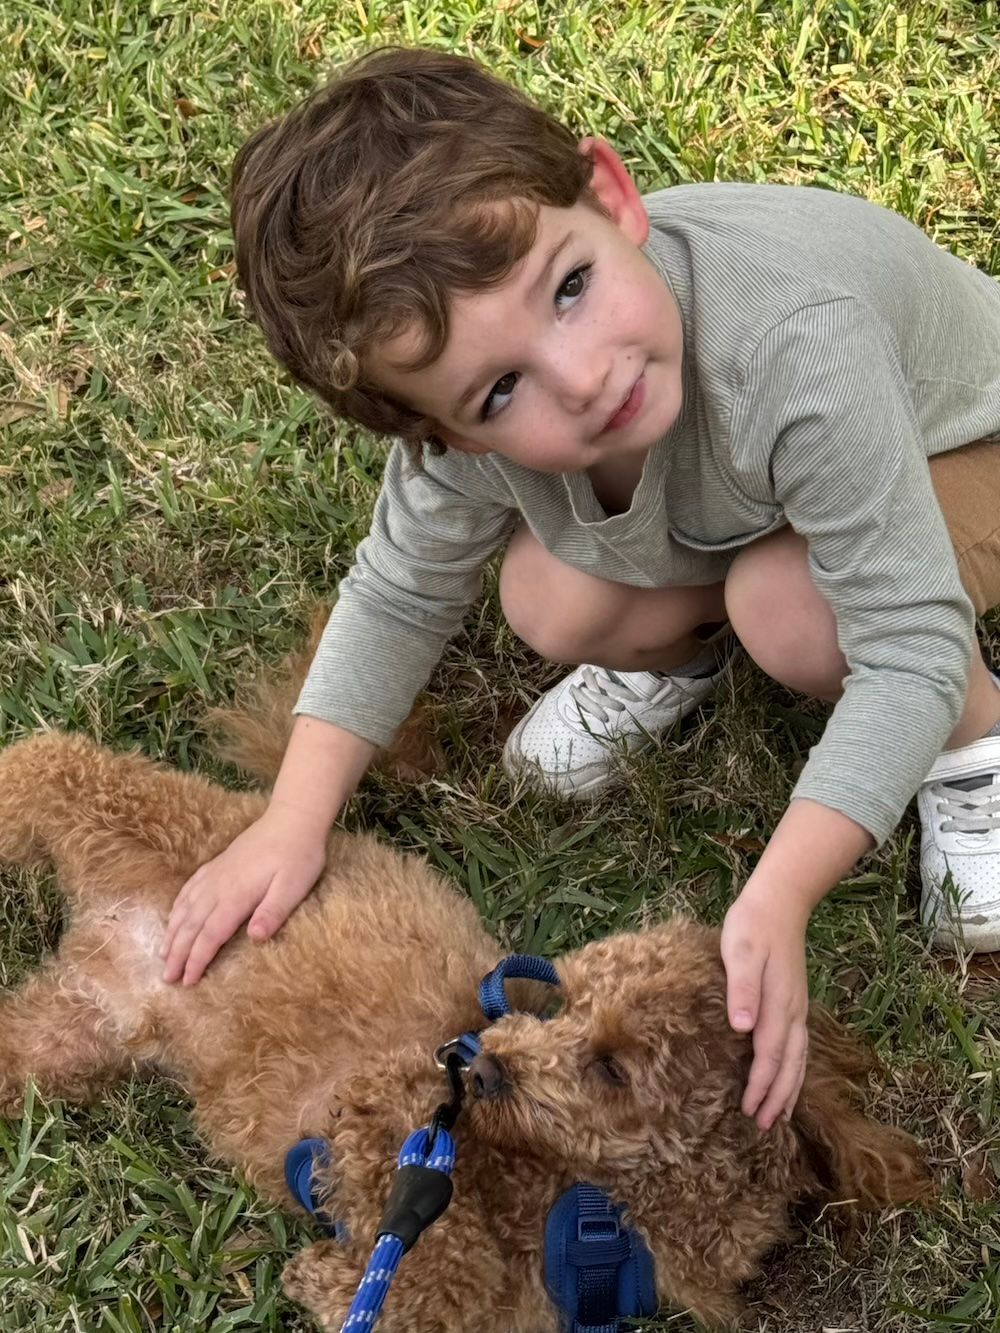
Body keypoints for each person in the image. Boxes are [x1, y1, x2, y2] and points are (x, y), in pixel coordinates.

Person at [160, 47, 1000, 1132]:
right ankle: (683, 654)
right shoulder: (486, 425)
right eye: (501, 388)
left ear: (610, 196)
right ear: (444, 431)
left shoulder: (799, 347)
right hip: (758, 484)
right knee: (549, 602)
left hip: (961, 442)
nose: (583, 375)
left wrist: (780, 889)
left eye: (570, 287)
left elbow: (902, 645)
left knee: (794, 613)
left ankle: (973, 742)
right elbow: (400, 589)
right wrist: (292, 820)